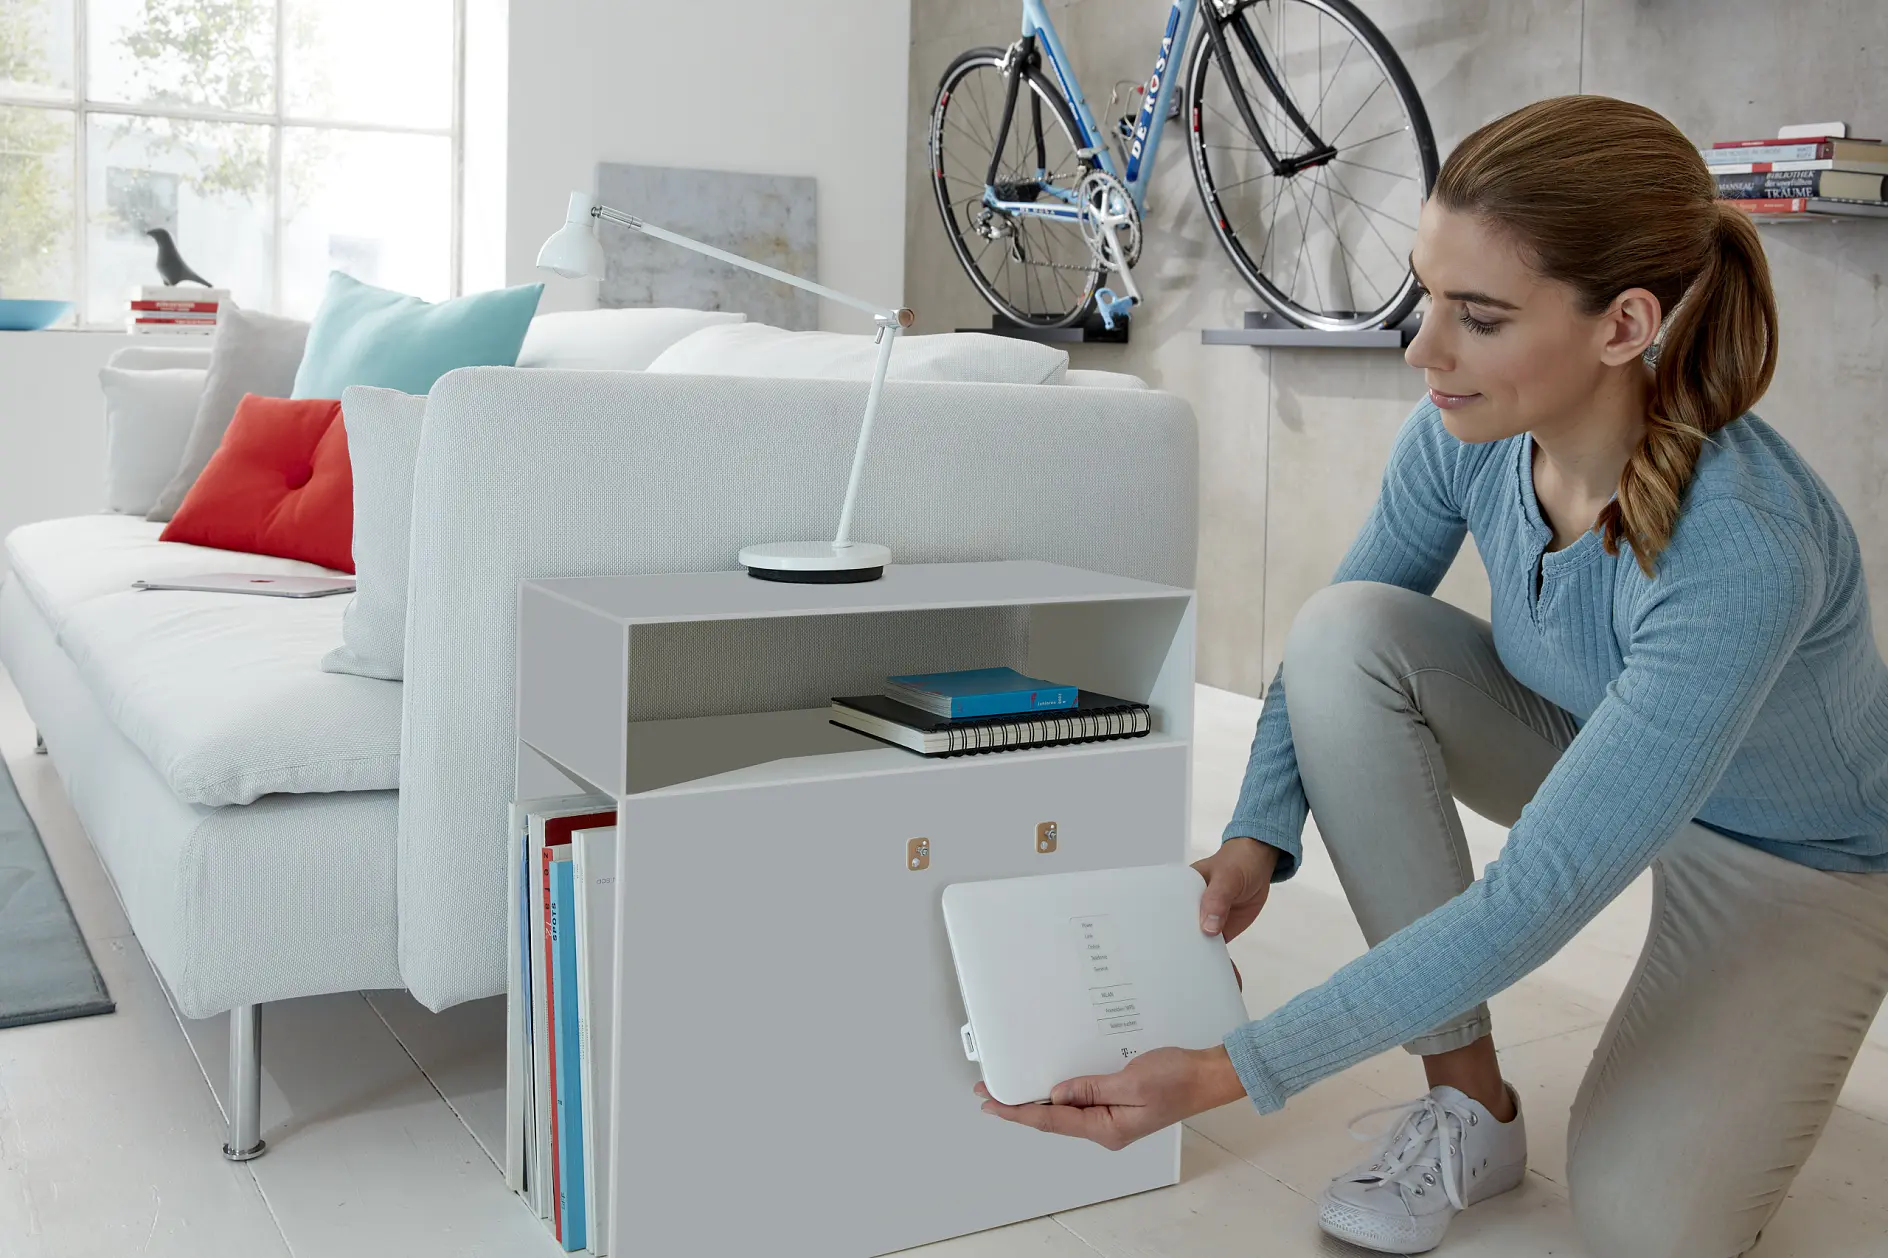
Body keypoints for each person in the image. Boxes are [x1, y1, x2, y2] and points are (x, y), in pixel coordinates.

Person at [977, 94, 1888, 1258]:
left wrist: (1225, 1073)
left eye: (1478, 316)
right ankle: (1469, 1104)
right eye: (1424, 294)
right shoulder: (1466, 434)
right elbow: (1325, 656)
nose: (1423, 348)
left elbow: (1534, 895)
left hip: (1790, 855)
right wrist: (1258, 832)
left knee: (1645, 1225)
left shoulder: (1744, 546)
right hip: (1590, 744)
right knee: (1348, 631)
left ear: (1623, 325)